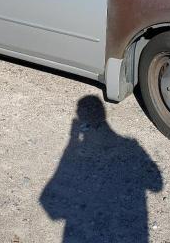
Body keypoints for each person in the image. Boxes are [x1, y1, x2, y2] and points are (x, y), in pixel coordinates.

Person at [40, 95, 163, 242]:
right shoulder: (132, 147)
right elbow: (157, 185)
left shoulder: (79, 153)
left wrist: (73, 140)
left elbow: (49, 203)